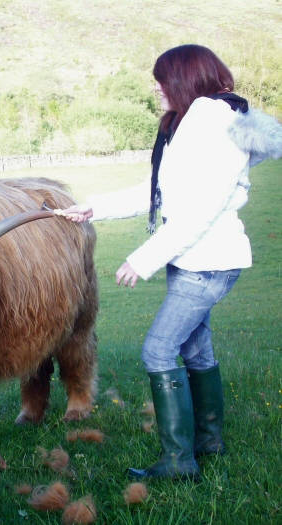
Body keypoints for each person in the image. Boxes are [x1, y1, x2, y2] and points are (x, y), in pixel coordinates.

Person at [59, 44, 282, 480]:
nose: (155, 86)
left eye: (160, 78)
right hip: (196, 259)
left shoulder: (213, 125)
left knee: (159, 350)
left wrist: (144, 260)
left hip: (207, 263)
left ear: (183, 78)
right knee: (196, 348)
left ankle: (179, 462)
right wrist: (93, 209)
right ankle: (208, 441)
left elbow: (200, 210)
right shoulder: (192, 122)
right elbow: (159, 188)